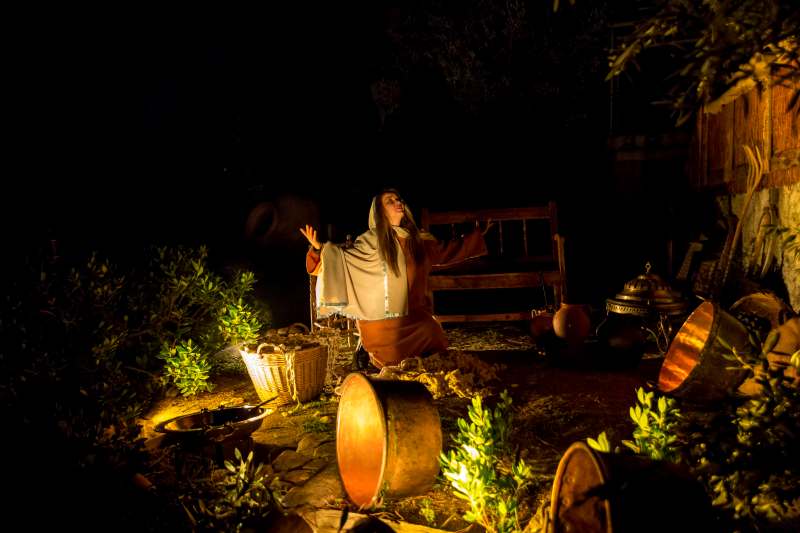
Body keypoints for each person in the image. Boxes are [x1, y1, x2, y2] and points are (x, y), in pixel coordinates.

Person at [300, 188, 492, 369]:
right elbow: (342, 259)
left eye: (398, 199)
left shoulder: (418, 240)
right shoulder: (371, 241)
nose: (397, 202)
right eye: (390, 201)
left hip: (415, 319)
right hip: (381, 324)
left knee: (433, 332)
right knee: (394, 358)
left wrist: (476, 237)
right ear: (380, 212)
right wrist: (320, 249)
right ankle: (369, 351)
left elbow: (447, 251)